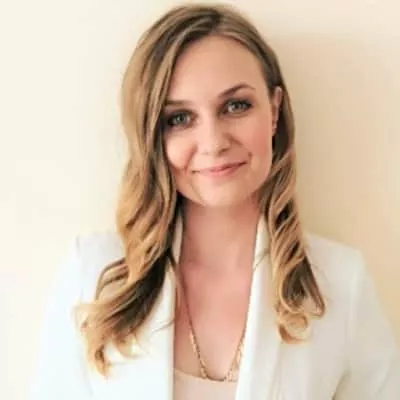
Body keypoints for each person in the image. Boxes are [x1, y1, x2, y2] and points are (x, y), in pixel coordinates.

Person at [29, 3, 400, 400]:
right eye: (179, 118)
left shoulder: (340, 285)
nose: (213, 142)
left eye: (235, 106)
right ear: (152, 135)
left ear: (274, 111)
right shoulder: (93, 278)